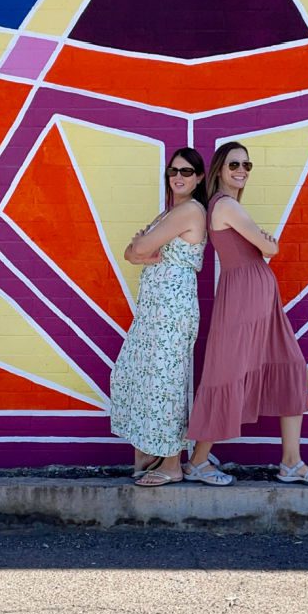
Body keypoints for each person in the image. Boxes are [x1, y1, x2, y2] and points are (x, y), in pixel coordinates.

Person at [184, 141, 308, 486]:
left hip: (259, 296)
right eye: (235, 164)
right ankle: (198, 461)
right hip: (244, 296)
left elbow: (266, 246)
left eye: (247, 166)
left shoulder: (230, 206)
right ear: (219, 168)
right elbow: (270, 247)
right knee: (227, 372)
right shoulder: (226, 206)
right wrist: (266, 240)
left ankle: (291, 462)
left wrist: (265, 241)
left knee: (291, 366)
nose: (242, 171)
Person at [110, 148, 208, 487]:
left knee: (168, 381)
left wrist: (144, 252)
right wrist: (141, 252)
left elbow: (138, 250)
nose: (178, 177)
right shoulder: (169, 213)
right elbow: (129, 252)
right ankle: (151, 453)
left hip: (172, 306)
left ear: (198, 178)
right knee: (139, 374)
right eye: (173, 171)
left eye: (186, 171)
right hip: (154, 307)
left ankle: (171, 463)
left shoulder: (190, 211)